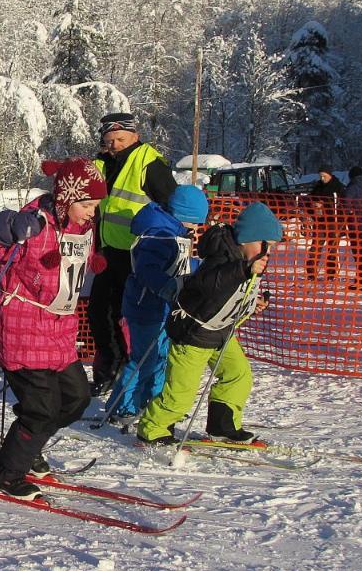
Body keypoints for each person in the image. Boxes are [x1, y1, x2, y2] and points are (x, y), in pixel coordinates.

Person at [0, 158, 107, 500]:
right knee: (41, 409)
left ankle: (28, 447)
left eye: (96, 206)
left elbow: (70, 266)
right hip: (22, 330)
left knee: (76, 399)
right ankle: (9, 476)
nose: (92, 212)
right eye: (87, 204)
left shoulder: (80, 227)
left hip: (59, 333)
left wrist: (94, 261)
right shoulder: (36, 222)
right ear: (66, 198)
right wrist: (6, 227)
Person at [135, 201, 282, 446]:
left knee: (238, 375)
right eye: (264, 245)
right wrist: (243, 269)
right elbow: (209, 284)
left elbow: (230, 301)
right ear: (247, 239)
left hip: (220, 333)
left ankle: (222, 426)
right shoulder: (222, 258)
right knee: (181, 394)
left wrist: (253, 305)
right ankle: (152, 429)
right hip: (193, 335)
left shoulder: (247, 262)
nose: (268, 253)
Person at [87, 111, 176, 395]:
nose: (114, 145)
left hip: (140, 255)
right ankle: (109, 369)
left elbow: (172, 206)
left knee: (139, 318)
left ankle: (145, 377)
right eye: (110, 139)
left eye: (120, 139)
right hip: (108, 251)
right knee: (99, 312)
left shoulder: (148, 162)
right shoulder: (100, 163)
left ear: (134, 136)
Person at [105, 184, 208, 425]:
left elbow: (179, 265)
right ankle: (122, 405)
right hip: (146, 307)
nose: (196, 228)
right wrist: (166, 286)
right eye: (195, 222)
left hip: (164, 308)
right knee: (144, 359)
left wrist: (201, 269)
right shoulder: (159, 234)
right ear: (184, 214)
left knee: (160, 358)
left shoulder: (176, 233)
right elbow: (147, 269)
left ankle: (151, 401)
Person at [303, 166, 346, 280]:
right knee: (315, 247)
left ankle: (331, 273)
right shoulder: (318, 186)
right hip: (320, 221)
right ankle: (311, 272)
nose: (322, 178)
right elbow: (309, 199)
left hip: (334, 221)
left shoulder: (338, 186)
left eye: (324, 176)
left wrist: (324, 204)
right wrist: (312, 208)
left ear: (330, 175)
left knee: (332, 248)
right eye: (320, 176)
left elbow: (342, 204)